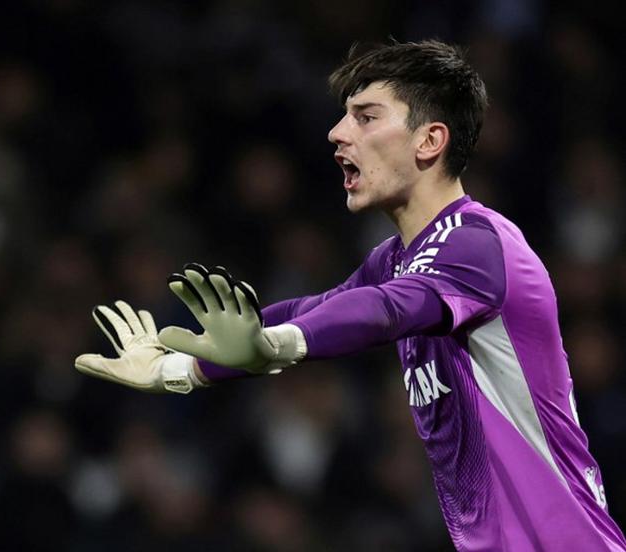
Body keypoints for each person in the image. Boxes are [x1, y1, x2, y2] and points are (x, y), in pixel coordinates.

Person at [74, 40, 626, 551]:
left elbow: (383, 310)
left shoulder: (477, 244)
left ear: (430, 140)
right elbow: (314, 310)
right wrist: (179, 370)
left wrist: (275, 346)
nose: (338, 133)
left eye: (365, 117)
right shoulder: (396, 259)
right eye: (343, 117)